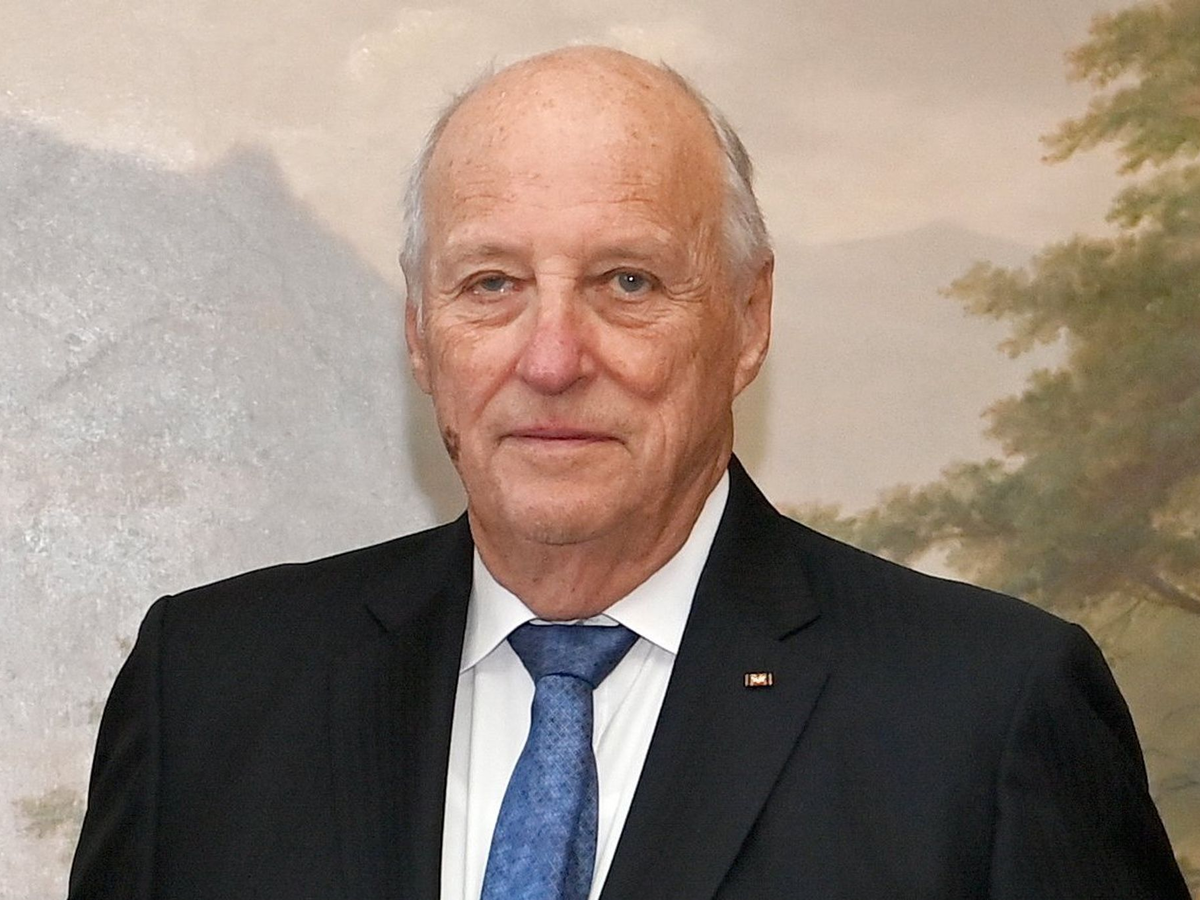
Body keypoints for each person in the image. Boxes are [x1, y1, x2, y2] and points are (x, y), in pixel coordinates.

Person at [69, 46, 1188, 900]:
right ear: (419, 333)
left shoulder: (985, 714)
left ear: (747, 320)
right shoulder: (208, 690)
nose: (553, 359)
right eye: (492, 284)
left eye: (628, 283)